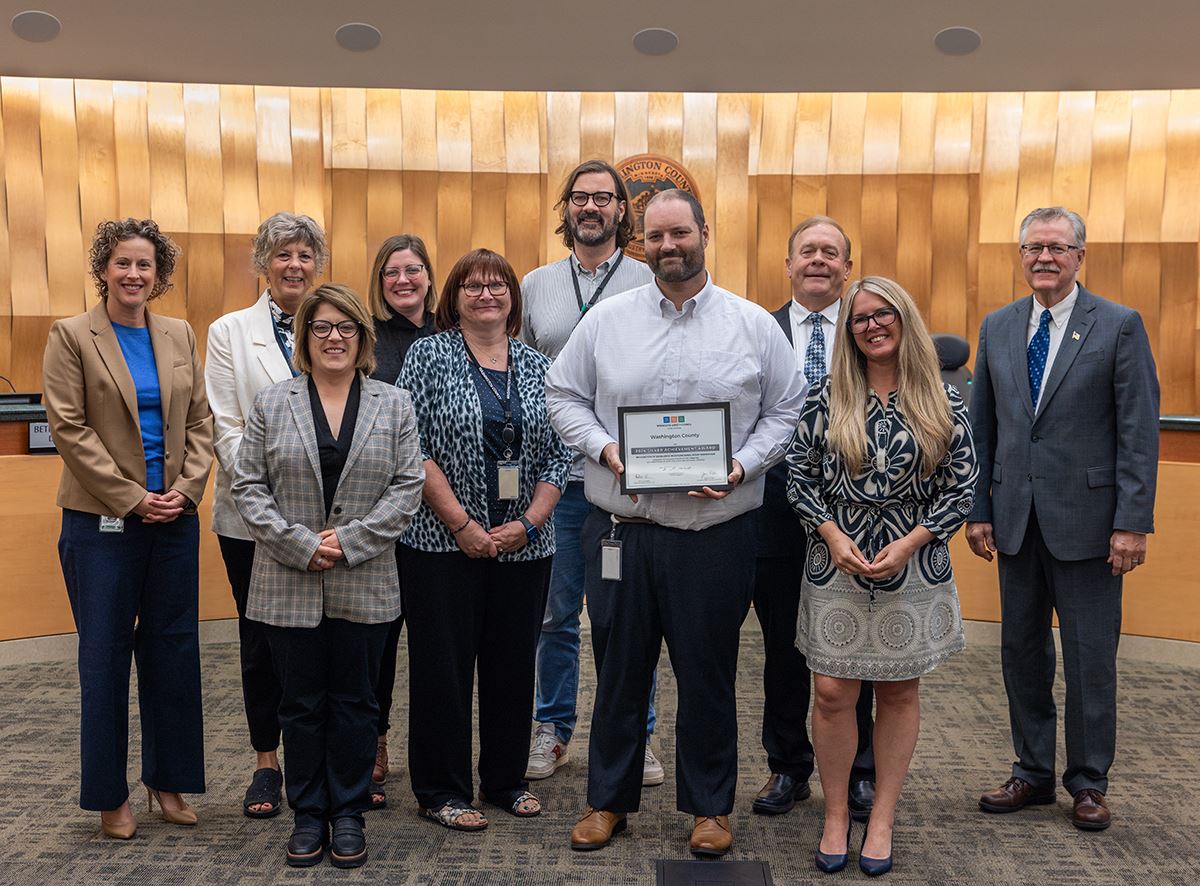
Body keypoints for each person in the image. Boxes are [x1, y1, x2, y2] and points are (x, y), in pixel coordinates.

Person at [546, 189, 805, 857]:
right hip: (619, 531)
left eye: (680, 234)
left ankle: (709, 807)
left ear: (703, 233)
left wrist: (744, 466)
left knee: (709, 673)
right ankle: (607, 800)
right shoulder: (607, 322)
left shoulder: (752, 325)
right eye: (656, 237)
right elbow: (562, 394)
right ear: (644, 243)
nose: (668, 246)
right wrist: (607, 451)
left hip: (716, 534)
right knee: (620, 673)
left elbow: (786, 409)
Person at [969, 207, 1159, 832]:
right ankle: (1031, 771)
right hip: (1016, 523)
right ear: (1020, 256)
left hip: (1092, 526)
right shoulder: (997, 327)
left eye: (1057, 247)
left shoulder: (1119, 326)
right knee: (1021, 652)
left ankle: (1089, 782)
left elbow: (1137, 433)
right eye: (1033, 247)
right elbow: (984, 429)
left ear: (1080, 255)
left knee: (1088, 658)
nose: (1043, 257)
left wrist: (1133, 523)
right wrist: (979, 510)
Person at [786, 275, 977, 876]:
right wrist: (832, 534)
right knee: (832, 693)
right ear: (849, 331)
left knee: (898, 690)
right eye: (860, 318)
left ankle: (884, 817)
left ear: (904, 320)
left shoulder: (943, 400)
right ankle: (837, 813)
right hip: (836, 562)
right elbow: (799, 474)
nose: (871, 325)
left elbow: (961, 487)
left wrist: (912, 541)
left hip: (912, 565)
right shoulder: (825, 395)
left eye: (882, 314)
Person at [231, 284, 425, 868]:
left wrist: (352, 541)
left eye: (345, 327)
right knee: (301, 703)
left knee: (357, 702)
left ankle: (347, 811)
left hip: (364, 578)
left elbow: (408, 486)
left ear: (362, 337)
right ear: (304, 339)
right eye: (321, 328)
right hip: (288, 579)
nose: (333, 337)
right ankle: (308, 812)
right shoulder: (272, 403)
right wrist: (298, 544)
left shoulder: (394, 403)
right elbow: (247, 486)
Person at [43, 218, 213, 839]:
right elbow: (68, 428)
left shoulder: (179, 334)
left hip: (174, 518)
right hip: (101, 523)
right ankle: (111, 795)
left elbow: (200, 422)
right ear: (104, 270)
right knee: (106, 656)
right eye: (123, 264)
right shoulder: (71, 336)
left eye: (145, 265)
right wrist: (134, 499)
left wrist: (185, 491)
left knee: (173, 649)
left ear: (159, 275)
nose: (134, 275)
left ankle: (167, 781)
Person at [399, 248, 571, 832]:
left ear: (512, 299)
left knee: (512, 665)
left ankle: (504, 780)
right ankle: (441, 789)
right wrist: (463, 525)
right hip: (441, 544)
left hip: (525, 546)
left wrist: (528, 523)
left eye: (498, 285)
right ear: (453, 297)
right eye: (471, 286)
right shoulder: (429, 354)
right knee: (442, 670)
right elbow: (411, 447)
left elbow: (558, 450)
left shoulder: (535, 363)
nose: (486, 295)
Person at [520, 160, 660, 786]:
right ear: (566, 209)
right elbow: (520, 376)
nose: (591, 207)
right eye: (580, 198)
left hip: (627, 481)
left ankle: (638, 733)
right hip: (556, 482)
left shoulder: (651, 280)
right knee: (555, 615)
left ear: (622, 210)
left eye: (604, 198)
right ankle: (552, 729)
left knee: (630, 614)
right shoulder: (535, 285)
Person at [752, 216, 878, 820]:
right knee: (784, 649)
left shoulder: (870, 331)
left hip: (857, 520)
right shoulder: (758, 329)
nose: (819, 261)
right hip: (775, 517)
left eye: (831, 253)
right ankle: (787, 766)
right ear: (789, 264)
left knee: (854, 652)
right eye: (808, 251)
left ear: (847, 268)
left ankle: (860, 772)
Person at [205, 211, 329, 819]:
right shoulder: (229, 332)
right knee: (261, 643)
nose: (294, 266)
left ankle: (322, 754)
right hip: (252, 520)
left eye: (305, 255)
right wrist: (269, 500)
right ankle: (265, 761)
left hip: (325, 521)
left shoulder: (336, 324)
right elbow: (225, 426)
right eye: (282, 254)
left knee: (320, 638)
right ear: (263, 262)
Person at [365, 233, 438, 807]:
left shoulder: (453, 332)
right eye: (392, 272)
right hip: (380, 513)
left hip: (442, 514)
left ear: (430, 277)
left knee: (439, 642)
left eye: (414, 269)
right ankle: (375, 741)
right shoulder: (364, 337)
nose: (404, 280)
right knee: (379, 640)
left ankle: (438, 754)